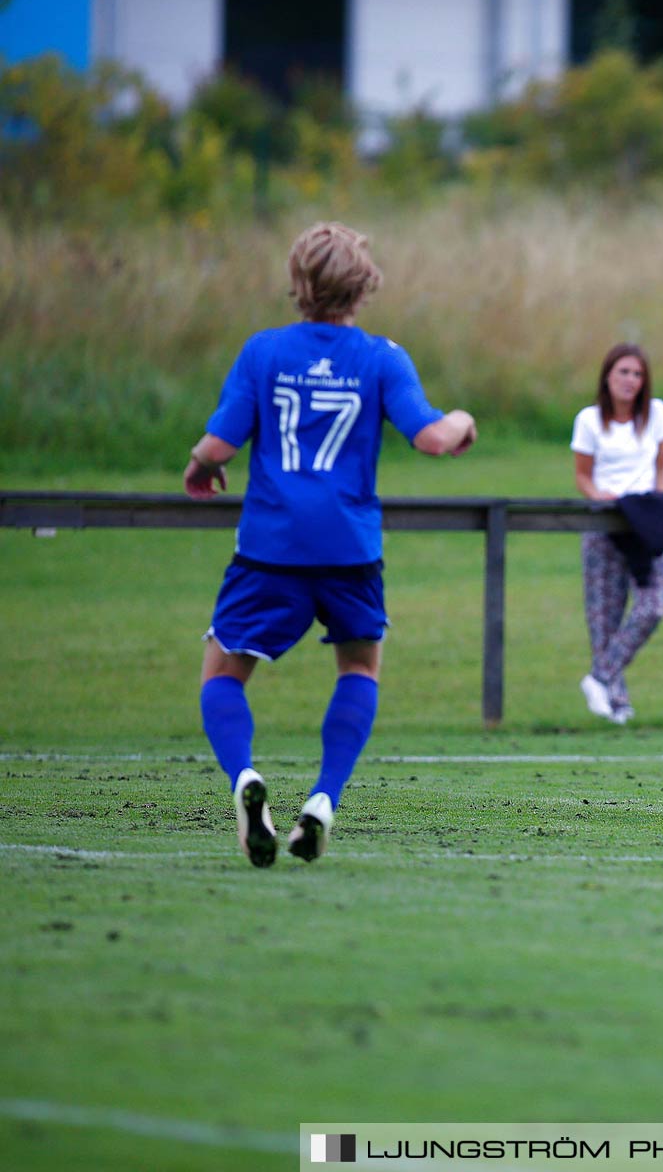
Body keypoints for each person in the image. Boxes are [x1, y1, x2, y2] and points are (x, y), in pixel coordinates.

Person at [185, 222, 477, 868]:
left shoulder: (262, 353)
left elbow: (219, 446)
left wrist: (199, 468)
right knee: (359, 668)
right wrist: (463, 421)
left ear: (298, 282)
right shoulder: (381, 358)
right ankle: (321, 802)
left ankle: (244, 780)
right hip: (350, 549)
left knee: (224, 671)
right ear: (363, 286)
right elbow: (432, 438)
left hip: (271, 547)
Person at [570, 342, 663, 724]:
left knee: (652, 606)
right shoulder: (589, 420)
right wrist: (600, 496)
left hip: (646, 522)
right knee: (604, 616)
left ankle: (599, 677)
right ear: (607, 376)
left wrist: (661, 503)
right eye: (623, 372)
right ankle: (617, 703)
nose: (630, 380)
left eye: (637, 374)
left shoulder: (656, 415)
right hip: (604, 524)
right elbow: (583, 475)